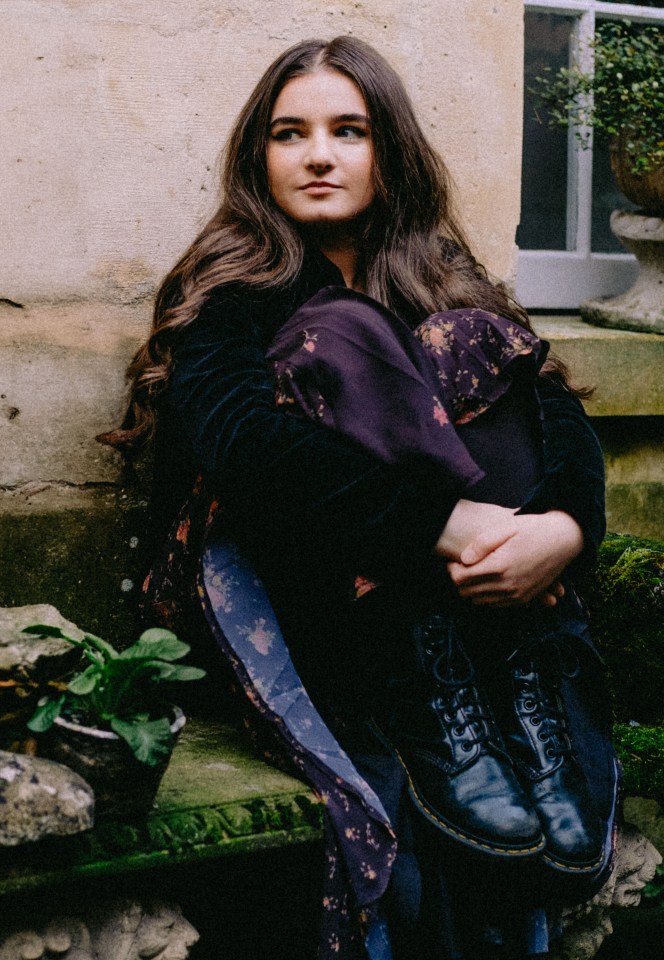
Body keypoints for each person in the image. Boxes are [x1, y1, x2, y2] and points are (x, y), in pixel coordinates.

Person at [100, 37, 619, 960]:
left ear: (390, 152)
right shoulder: (234, 282)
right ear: (257, 157)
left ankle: (520, 683)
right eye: (288, 133)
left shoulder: (437, 269)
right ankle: (432, 687)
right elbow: (244, 449)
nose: (318, 155)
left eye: (350, 130)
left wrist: (561, 529)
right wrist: (443, 524)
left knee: (471, 338)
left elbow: (553, 410)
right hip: (294, 581)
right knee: (341, 331)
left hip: (462, 588)